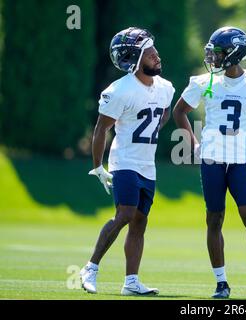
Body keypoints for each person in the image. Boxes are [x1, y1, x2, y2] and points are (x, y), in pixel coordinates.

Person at [173, 26, 246, 299]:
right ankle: (221, 284)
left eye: (219, 52)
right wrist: (194, 145)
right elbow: (179, 112)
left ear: (235, 53)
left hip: (239, 160)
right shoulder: (204, 81)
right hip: (211, 159)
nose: (213, 57)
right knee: (214, 219)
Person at [80, 27, 175, 296]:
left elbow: (163, 113)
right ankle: (90, 267)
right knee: (124, 215)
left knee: (140, 222)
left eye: (155, 51)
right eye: (150, 53)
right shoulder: (120, 90)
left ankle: (131, 281)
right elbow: (101, 129)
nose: (157, 56)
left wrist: (152, 129)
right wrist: (98, 166)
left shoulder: (165, 87)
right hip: (124, 162)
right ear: (134, 59)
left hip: (147, 165)